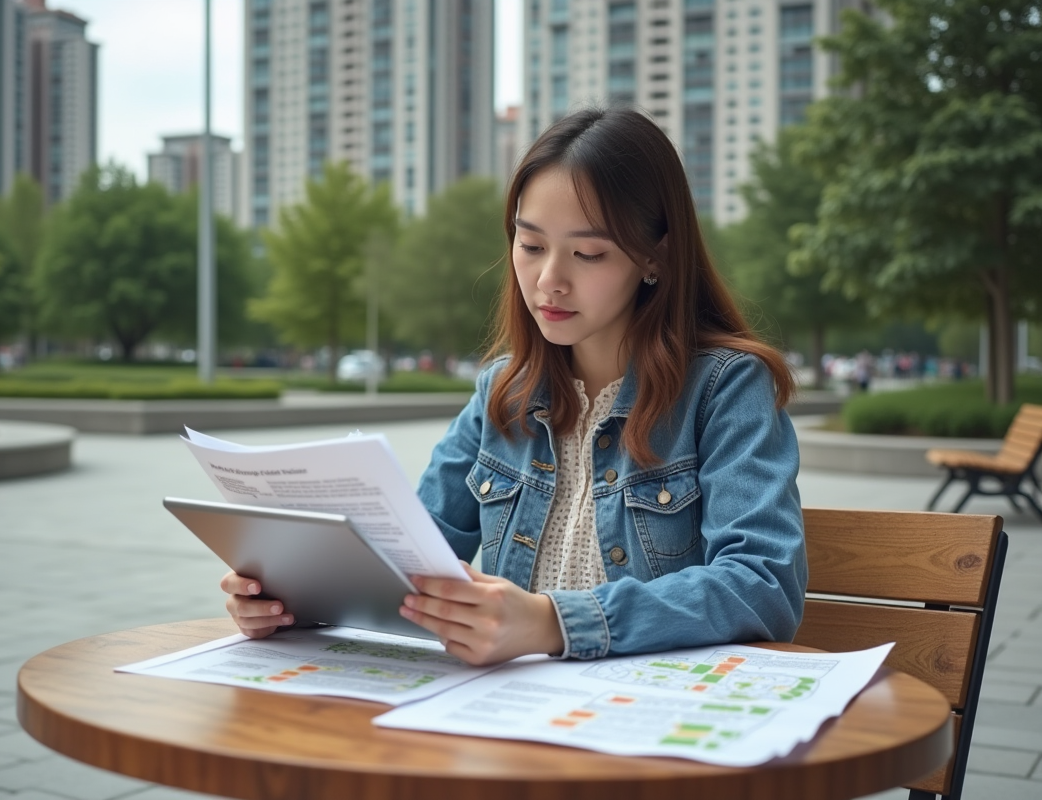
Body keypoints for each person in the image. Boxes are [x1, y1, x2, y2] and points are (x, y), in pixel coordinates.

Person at [222, 107, 807, 665]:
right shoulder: (503, 392)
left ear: (655, 258)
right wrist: (294, 598)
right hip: (512, 719)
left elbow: (762, 585)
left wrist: (550, 623)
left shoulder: (726, 388)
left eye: (588, 253)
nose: (549, 280)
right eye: (529, 246)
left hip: (653, 725)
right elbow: (409, 562)